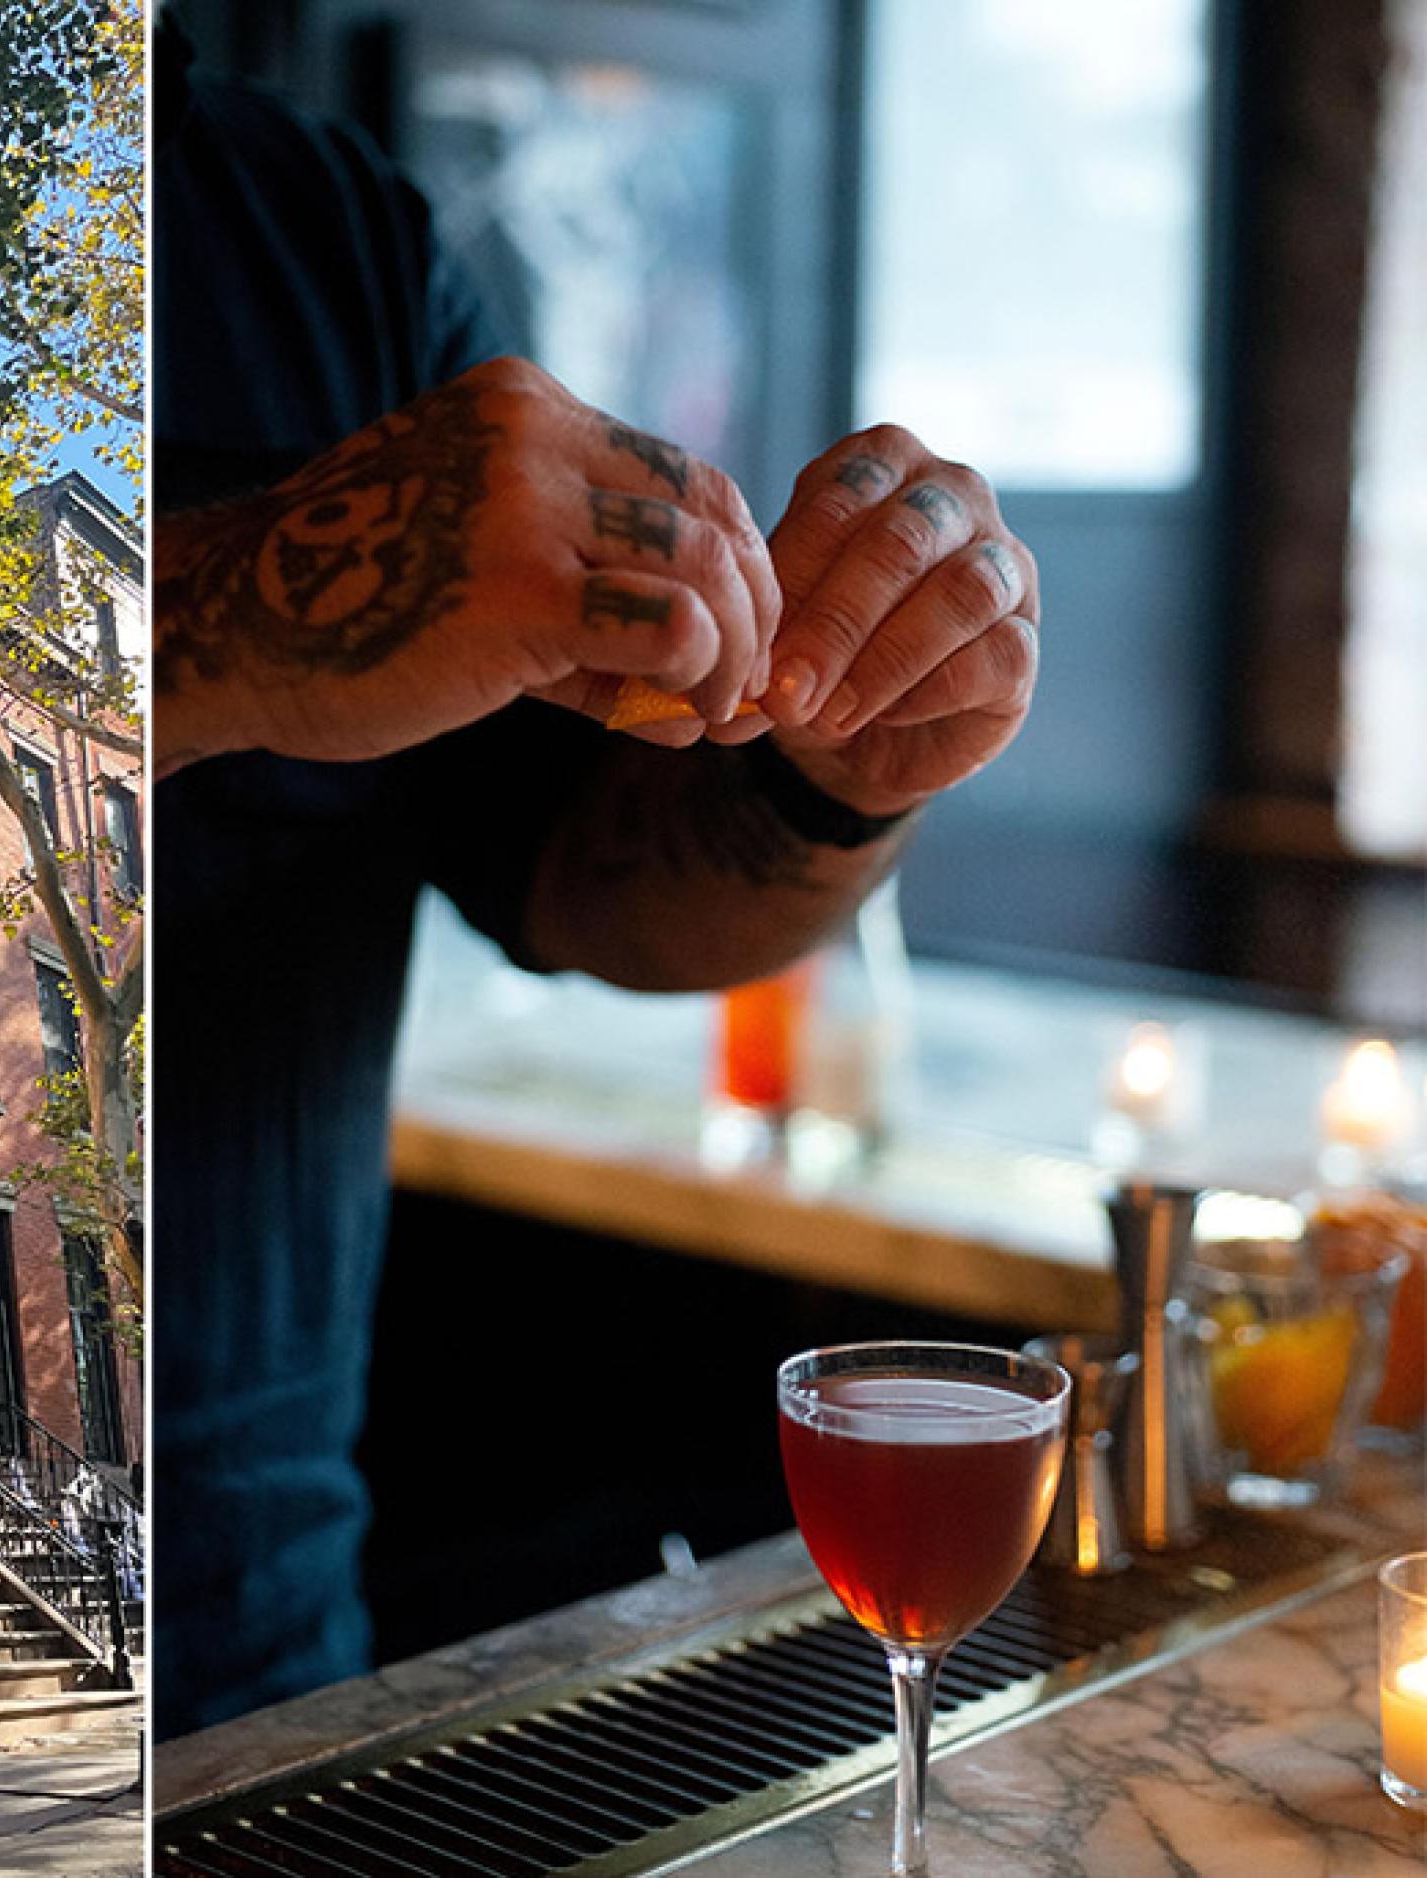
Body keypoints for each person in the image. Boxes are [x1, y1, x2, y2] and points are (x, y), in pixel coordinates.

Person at [149, 20, 1041, 1731]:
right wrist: (245, 602)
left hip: (261, 1622)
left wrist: (835, 781)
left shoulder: (330, 225)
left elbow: (591, 874)